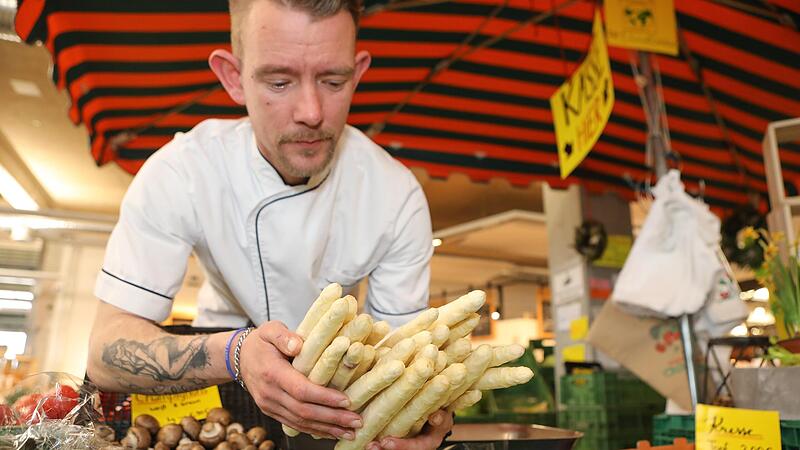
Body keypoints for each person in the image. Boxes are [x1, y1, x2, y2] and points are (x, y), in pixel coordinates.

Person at [86, 0, 454, 448]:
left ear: (358, 73)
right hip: (218, 376)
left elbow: (405, 355)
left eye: (333, 81)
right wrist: (237, 353)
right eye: (279, 81)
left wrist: (425, 411)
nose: (311, 111)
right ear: (232, 77)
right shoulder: (185, 170)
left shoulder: (395, 195)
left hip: (335, 399)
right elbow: (104, 352)